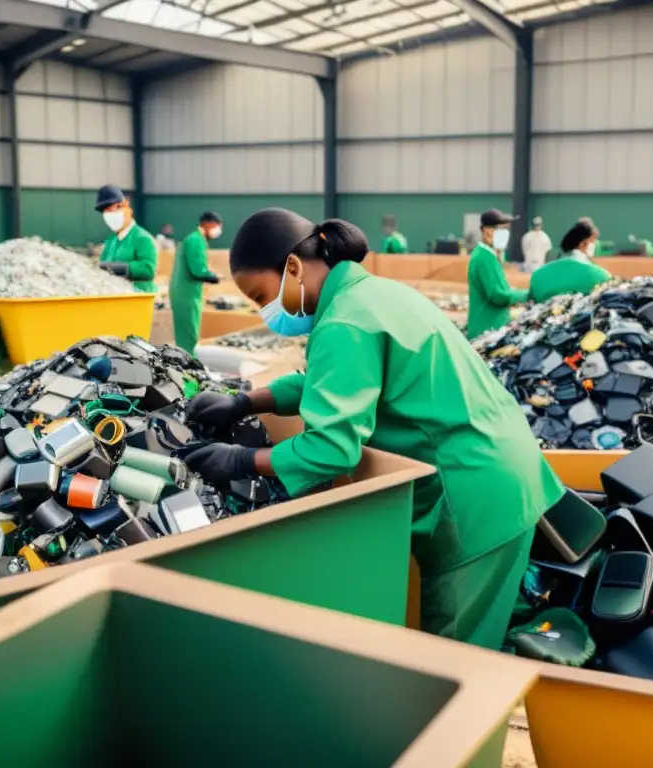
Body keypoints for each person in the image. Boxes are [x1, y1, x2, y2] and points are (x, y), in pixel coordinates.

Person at [183, 208, 565, 649]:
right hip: (496, 467)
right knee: (486, 626)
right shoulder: (368, 296)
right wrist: (246, 401)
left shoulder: (346, 320)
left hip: (474, 491)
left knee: (457, 654)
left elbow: (330, 449)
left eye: (259, 295)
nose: (264, 311)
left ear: (292, 267)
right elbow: (324, 382)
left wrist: (242, 460)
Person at [467, 209, 529, 339]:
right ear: (487, 230)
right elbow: (498, 295)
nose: (505, 234)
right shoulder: (484, 258)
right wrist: (527, 295)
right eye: (502, 229)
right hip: (487, 329)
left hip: (488, 327)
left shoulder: (487, 255)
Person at [170, 212, 222, 354]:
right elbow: (197, 270)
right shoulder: (196, 240)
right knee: (189, 335)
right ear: (206, 224)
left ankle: (184, 362)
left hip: (184, 292)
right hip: (187, 294)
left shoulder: (194, 239)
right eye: (217, 226)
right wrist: (214, 277)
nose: (218, 230)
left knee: (184, 333)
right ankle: (189, 366)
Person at [95, 184, 158, 293]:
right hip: (116, 298)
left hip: (138, 299)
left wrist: (122, 268)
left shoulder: (142, 238)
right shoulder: (111, 241)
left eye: (111, 210)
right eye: (105, 212)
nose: (108, 215)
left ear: (124, 207)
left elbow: (148, 269)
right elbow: (102, 265)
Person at [529, 219, 612, 302]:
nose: (595, 245)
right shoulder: (601, 276)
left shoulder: (537, 276)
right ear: (583, 244)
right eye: (593, 242)